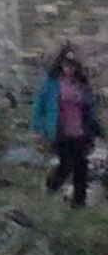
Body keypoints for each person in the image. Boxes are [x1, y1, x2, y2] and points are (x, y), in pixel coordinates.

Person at [41, 43, 97, 205]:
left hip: (80, 131)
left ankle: (79, 202)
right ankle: (52, 186)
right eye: (66, 65)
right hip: (62, 132)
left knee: (81, 166)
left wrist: (94, 129)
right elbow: (43, 106)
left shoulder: (81, 85)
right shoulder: (52, 84)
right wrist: (43, 128)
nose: (69, 69)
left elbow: (89, 108)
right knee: (66, 164)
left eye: (72, 65)